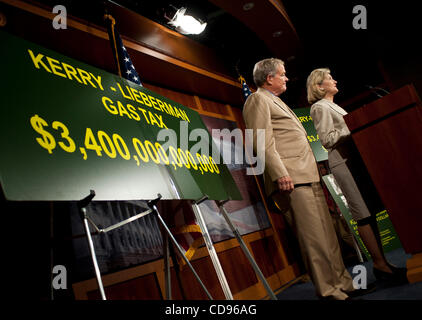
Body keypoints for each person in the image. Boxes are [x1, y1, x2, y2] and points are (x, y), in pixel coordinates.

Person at [243, 58, 370, 300]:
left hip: (308, 175)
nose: (286, 78)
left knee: (328, 236)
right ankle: (328, 290)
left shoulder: (275, 100)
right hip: (291, 178)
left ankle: (343, 283)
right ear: (269, 78)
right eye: (282, 74)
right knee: (314, 239)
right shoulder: (257, 99)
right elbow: (261, 141)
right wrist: (280, 173)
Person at [306, 68, 407, 285]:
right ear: (319, 86)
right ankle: (379, 264)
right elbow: (327, 139)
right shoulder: (319, 107)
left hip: (356, 161)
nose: (334, 80)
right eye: (329, 79)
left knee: (369, 213)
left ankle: (384, 264)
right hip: (344, 164)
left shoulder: (333, 105)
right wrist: (354, 125)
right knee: (362, 213)